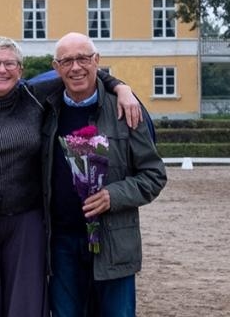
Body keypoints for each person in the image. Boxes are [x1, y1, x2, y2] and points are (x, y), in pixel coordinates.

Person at [0, 37, 140, 317]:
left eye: (9, 63)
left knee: (25, 306)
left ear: (20, 70)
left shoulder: (35, 96)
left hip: (27, 222)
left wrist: (122, 88)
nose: (2, 70)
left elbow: (80, 70)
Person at [42, 32, 167, 317]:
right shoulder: (44, 109)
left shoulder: (126, 110)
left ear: (97, 60)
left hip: (114, 242)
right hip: (60, 244)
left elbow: (154, 174)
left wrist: (114, 195)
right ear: (56, 67)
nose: (76, 67)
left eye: (84, 58)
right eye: (67, 61)